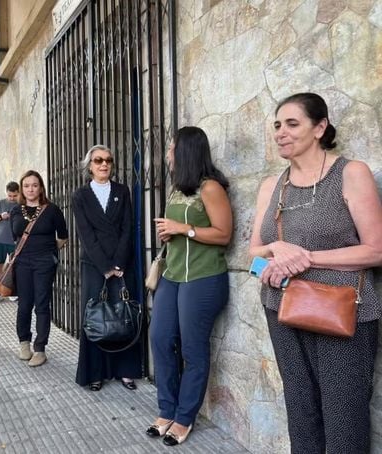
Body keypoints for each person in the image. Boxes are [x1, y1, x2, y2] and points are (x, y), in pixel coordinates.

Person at [248, 92, 382, 453]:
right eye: (277, 125)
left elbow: (376, 250)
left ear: (320, 127)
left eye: (292, 124)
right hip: (282, 310)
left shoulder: (350, 173)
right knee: (300, 411)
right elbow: (253, 258)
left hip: (342, 310)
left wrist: (305, 257)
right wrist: (275, 251)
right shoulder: (271, 187)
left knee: (343, 416)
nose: (281, 132)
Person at [147, 127, 232, 446]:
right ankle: (166, 409)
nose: (168, 153)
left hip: (203, 277)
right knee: (158, 337)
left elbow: (224, 234)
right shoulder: (176, 189)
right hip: (172, 275)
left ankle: (184, 417)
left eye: (172, 149)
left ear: (186, 152)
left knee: (193, 349)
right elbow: (178, 229)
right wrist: (169, 233)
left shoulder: (210, 188)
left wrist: (184, 228)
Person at [72, 144, 142, 391]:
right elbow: (86, 235)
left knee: (123, 314)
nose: (104, 164)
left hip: (122, 264)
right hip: (94, 265)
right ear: (89, 166)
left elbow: (128, 228)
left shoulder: (122, 191)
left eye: (108, 160)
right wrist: (105, 266)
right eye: (98, 160)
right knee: (96, 317)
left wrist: (119, 263)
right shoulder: (80, 196)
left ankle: (126, 370)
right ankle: (95, 372)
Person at [10, 170, 68, 367]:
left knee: (42, 304)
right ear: (22, 189)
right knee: (24, 304)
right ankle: (24, 342)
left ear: (41, 187)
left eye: (34, 185)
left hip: (44, 262)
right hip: (23, 263)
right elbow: (14, 236)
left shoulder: (52, 210)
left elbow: (63, 236)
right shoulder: (16, 211)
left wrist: (48, 251)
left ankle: (40, 348)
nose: (30, 189)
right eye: (26, 186)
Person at [0, 181, 19, 303]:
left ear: (18, 193)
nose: (12, 198)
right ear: (6, 192)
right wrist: (1, 216)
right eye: (10, 195)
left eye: (14, 196)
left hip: (14, 240)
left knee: (15, 267)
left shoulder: (20, 204)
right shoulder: (1, 203)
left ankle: (13, 291)